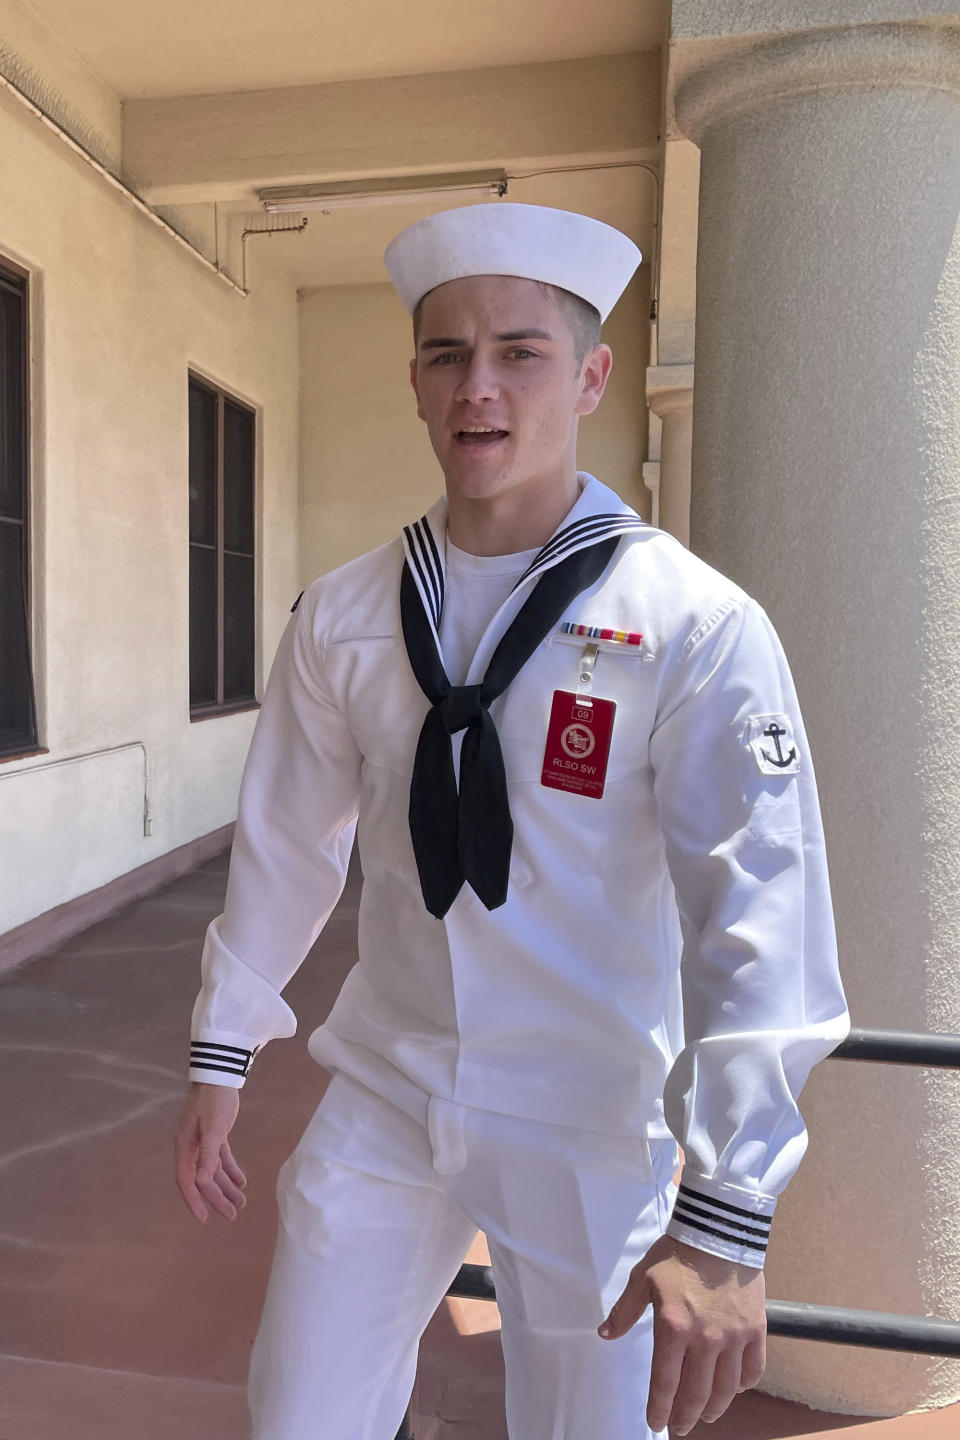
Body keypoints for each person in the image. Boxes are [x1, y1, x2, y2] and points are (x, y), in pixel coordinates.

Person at [174, 202, 849, 1440]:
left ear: (590, 376)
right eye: (447, 355)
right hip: (388, 1080)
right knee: (300, 1415)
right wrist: (228, 1043)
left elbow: (760, 913)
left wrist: (730, 1205)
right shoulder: (345, 615)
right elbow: (286, 843)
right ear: (419, 384)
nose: (479, 386)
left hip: (589, 1111)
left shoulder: (688, 625)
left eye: (520, 352)